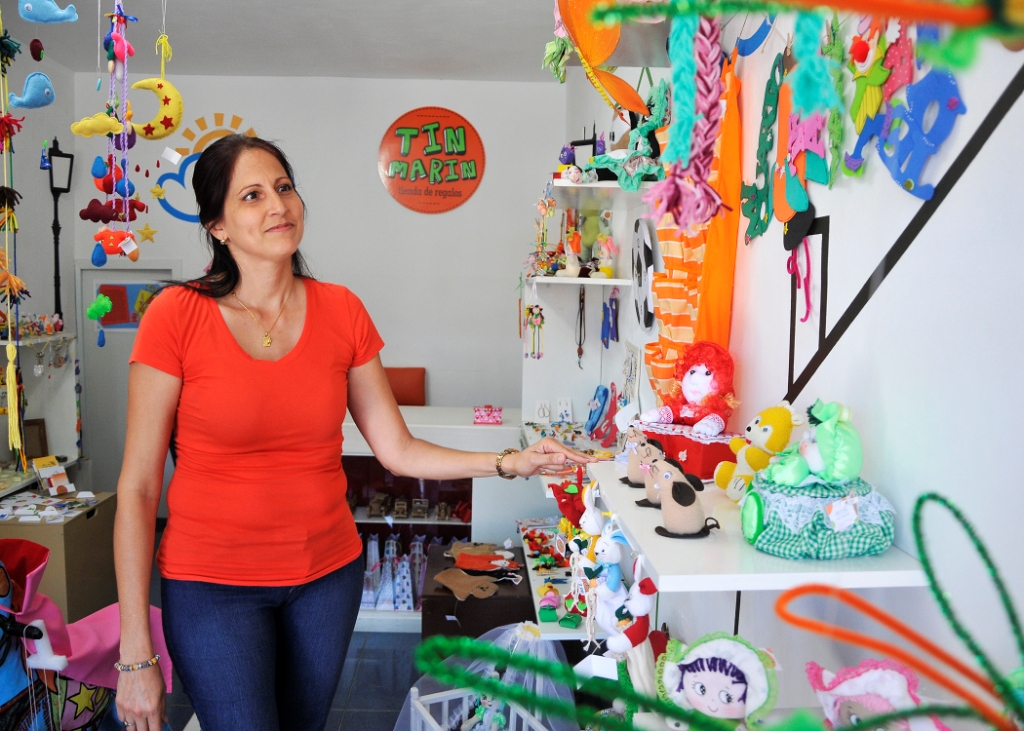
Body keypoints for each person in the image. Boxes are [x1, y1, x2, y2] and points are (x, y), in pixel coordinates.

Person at [112, 134, 594, 731]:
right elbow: (138, 488)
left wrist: (510, 462)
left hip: (325, 579)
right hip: (212, 585)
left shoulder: (341, 310)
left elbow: (399, 449)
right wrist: (135, 651)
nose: (278, 206)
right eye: (252, 196)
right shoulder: (175, 316)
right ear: (217, 225)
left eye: (284, 188)